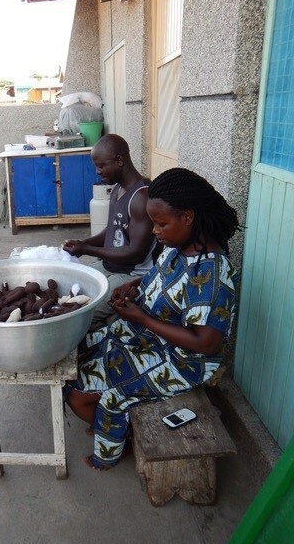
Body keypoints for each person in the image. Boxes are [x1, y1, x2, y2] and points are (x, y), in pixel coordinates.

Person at [64, 167, 242, 471]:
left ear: (187, 217)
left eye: (161, 224)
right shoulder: (179, 248)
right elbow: (159, 280)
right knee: (77, 353)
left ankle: (113, 447)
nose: (155, 231)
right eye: (154, 223)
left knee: (82, 394)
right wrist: (133, 287)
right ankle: (110, 423)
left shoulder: (210, 273)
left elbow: (206, 343)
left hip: (183, 361)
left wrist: (142, 319)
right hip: (153, 339)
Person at [63, 134, 159, 329]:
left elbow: (135, 252)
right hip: (111, 265)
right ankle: (109, 320)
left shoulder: (141, 196)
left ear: (119, 160)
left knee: (77, 317)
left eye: (101, 165)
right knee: (69, 288)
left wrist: (88, 250)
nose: (98, 172)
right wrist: (84, 242)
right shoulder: (117, 189)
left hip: (132, 274)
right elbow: (113, 230)